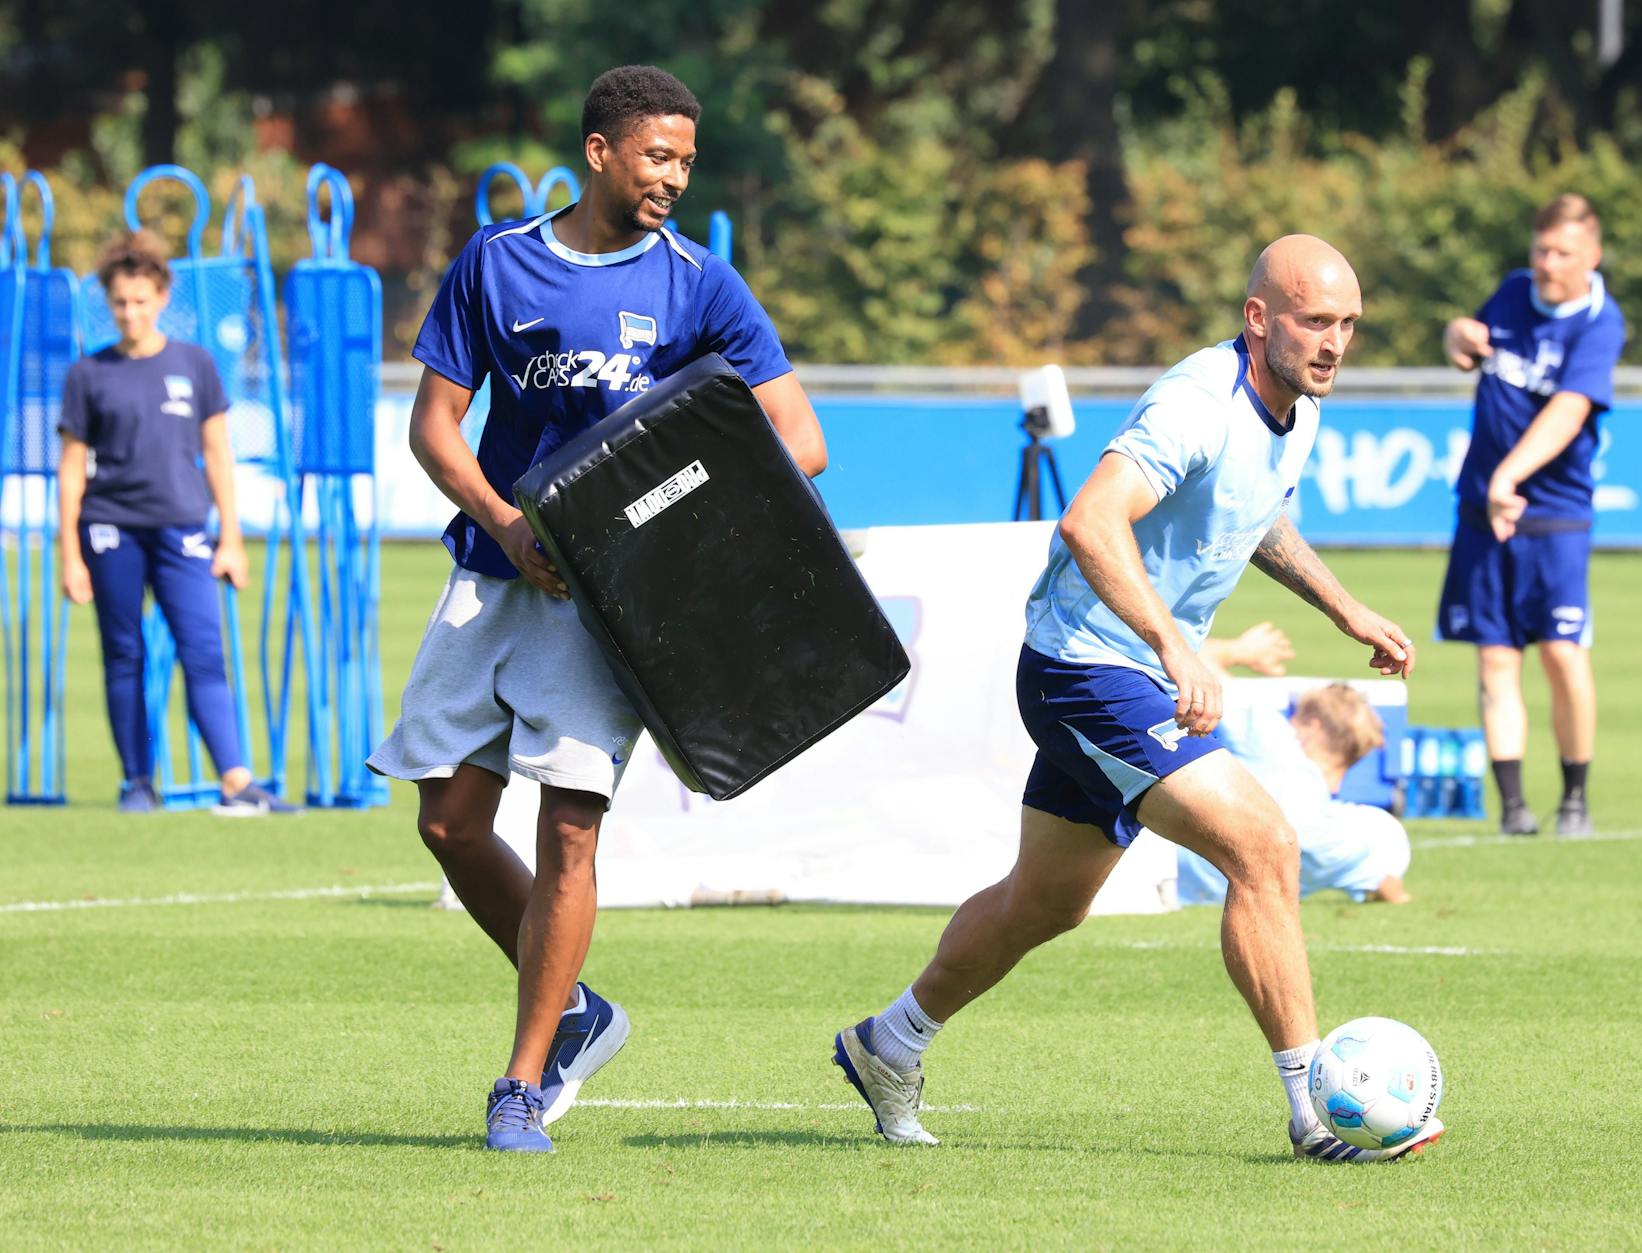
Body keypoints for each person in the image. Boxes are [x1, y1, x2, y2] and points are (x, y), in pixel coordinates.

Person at [832, 235, 1443, 1162]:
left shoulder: (1298, 408)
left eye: (1349, 325)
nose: (1335, 342)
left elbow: (1254, 512)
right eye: (1317, 321)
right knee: (1265, 844)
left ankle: (890, 1041)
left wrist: (1346, 606)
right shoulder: (1199, 399)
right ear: (1259, 318)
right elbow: (1090, 520)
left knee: (1045, 901)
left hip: (1126, 672)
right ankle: (1314, 1106)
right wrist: (1172, 643)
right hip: (1091, 669)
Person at [366, 65, 827, 1153]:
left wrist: (657, 514)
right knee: (446, 823)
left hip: (609, 605)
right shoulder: (496, 261)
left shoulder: (700, 285)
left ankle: (521, 1082)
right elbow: (435, 426)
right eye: (657, 156)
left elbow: (798, 442)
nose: (672, 176)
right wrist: (510, 523)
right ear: (600, 152)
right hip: (492, 573)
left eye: (685, 160)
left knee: (568, 830)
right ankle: (578, 1007)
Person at [56, 233, 297, 816]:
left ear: (162, 296)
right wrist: (70, 554)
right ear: (107, 305)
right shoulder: (89, 374)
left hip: (184, 529)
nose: (130, 312)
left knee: (204, 651)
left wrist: (232, 539)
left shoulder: (194, 364)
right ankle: (137, 781)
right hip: (110, 530)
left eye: (140, 300)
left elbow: (218, 455)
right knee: (123, 654)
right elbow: (69, 473)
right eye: (119, 303)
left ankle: (236, 781)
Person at [1436, 193, 1626, 838]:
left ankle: (1575, 796)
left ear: (1592, 256)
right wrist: (1456, 334)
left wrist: (1509, 477)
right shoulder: (1514, 291)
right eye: (1541, 248)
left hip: (1556, 512)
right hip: (1484, 508)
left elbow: (1568, 411)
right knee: (1495, 657)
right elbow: (1468, 349)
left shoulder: (1600, 320)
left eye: (1562, 253)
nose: (1547, 263)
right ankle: (1514, 808)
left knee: (1563, 655)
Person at [1195, 683, 1411, 905]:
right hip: (1237, 900)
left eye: (1296, 720)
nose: (1290, 725)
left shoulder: (1278, 744)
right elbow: (1388, 887)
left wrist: (1239, 651)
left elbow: (1204, 680)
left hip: (1173, 875)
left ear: (1313, 727)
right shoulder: (1367, 831)